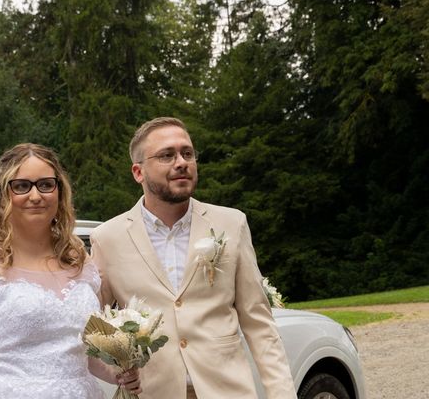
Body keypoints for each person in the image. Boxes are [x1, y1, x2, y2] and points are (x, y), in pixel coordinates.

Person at [90, 118, 297, 399]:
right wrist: (115, 370)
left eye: (187, 153)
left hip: (227, 392)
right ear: (138, 172)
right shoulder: (107, 237)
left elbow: (258, 323)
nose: (181, 162)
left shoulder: (231, 224)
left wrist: (282, 394)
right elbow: (90, 324)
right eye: (167, 155)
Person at [0, 143, 140, 399]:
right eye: (22, 186)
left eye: (46, 185)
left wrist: (117, 373)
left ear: (59, 191)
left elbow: (80, 353)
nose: (36, 195)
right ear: (3, 195)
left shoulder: (80, 261)